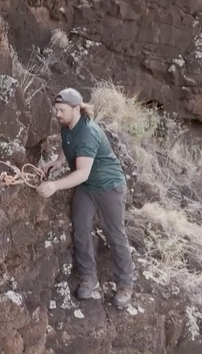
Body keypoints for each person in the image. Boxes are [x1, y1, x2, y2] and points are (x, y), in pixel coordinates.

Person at [37, 88, 135, 307]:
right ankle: (88, 278)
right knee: (81, 227)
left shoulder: (88, 132)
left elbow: (82, 172)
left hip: (109, 186)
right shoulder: (68, 125)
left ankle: (125, 286)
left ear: (76, 108)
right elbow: (68, 144)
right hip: (87, 188)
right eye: (56, 110)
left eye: (61, 110)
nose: (58, 115)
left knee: (115, 234)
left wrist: (54, 185)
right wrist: (58, 161)